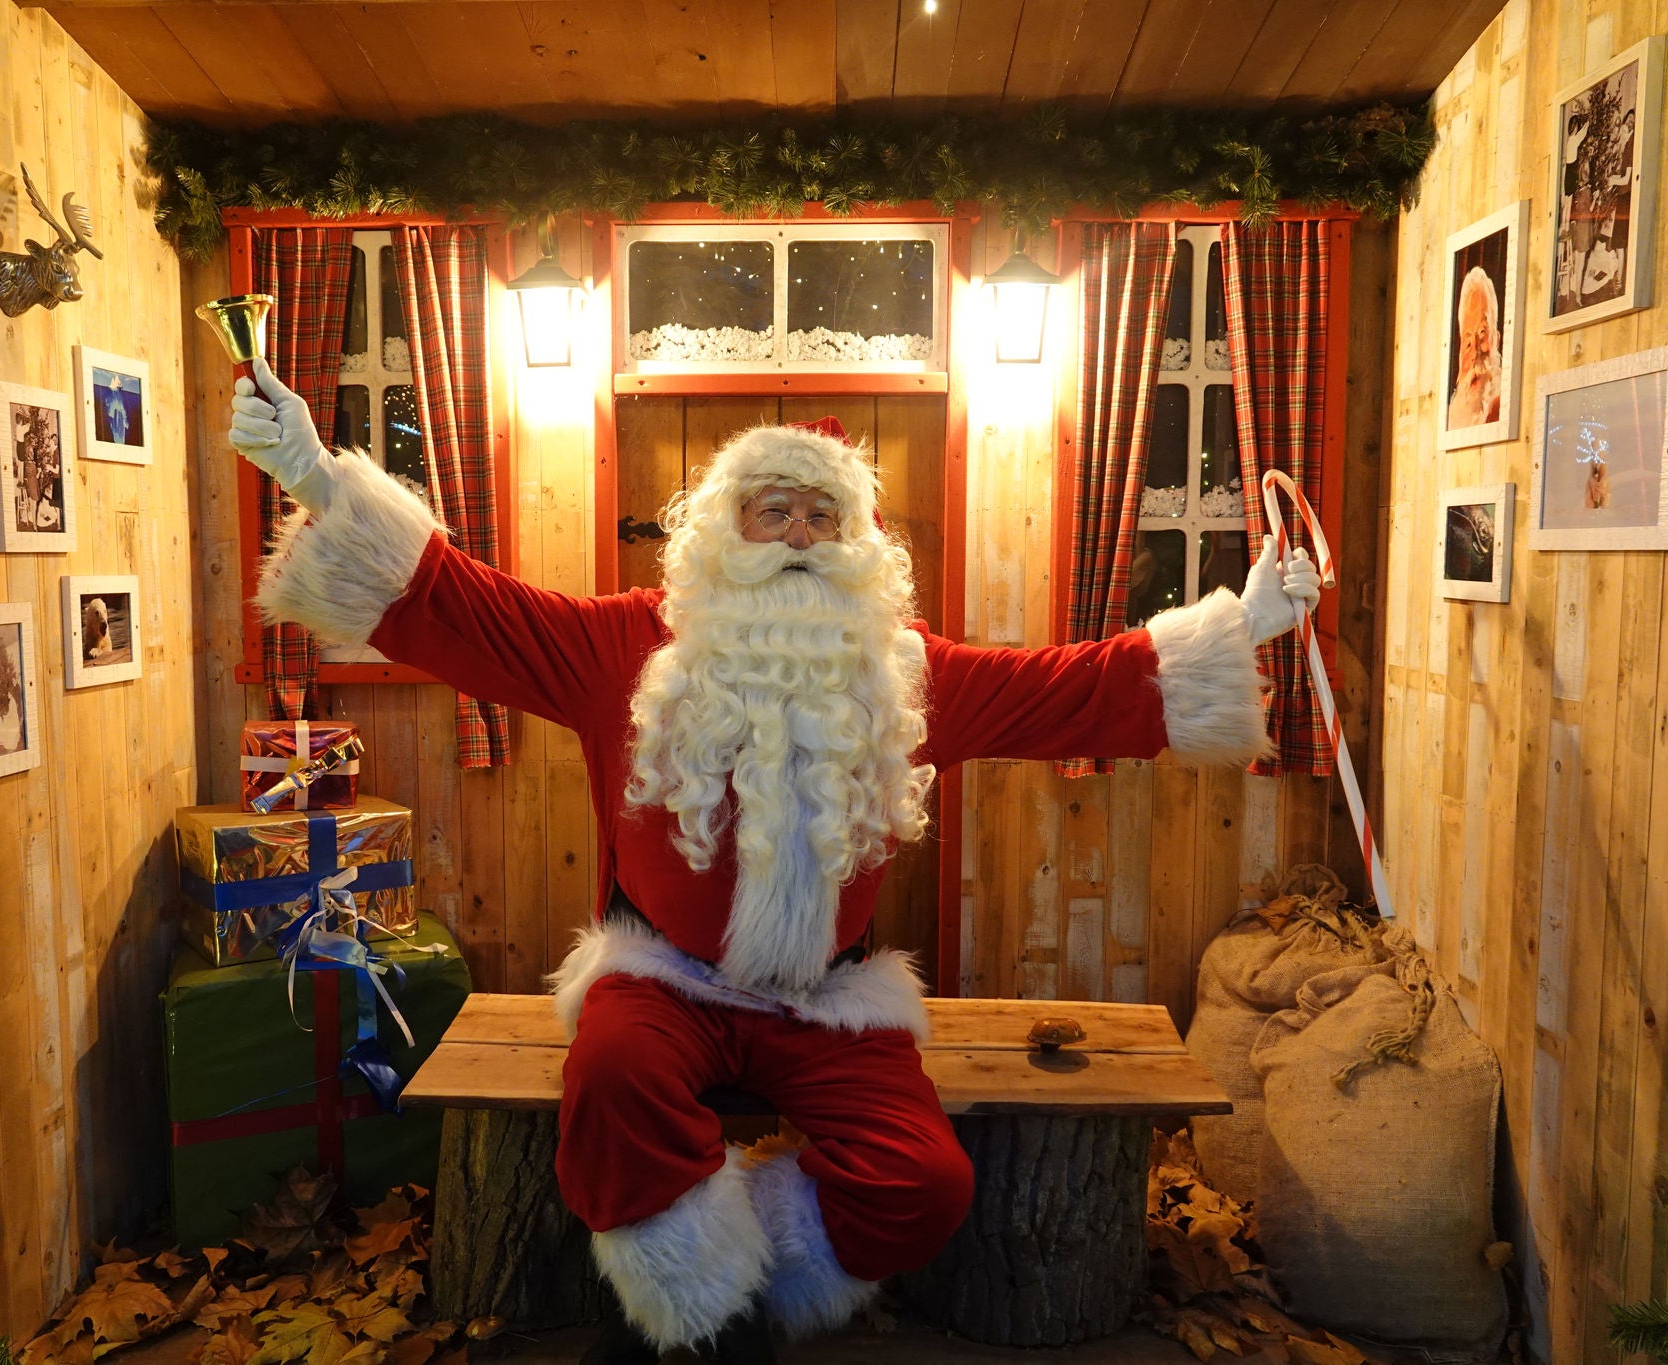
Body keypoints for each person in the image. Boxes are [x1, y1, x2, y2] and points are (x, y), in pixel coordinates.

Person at [229, 359, 1320, 1364]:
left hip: (826, 998)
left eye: (820, 513)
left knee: (922, 1181)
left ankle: (741, 1285)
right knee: (608, 1081)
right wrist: (318, 475)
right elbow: (465, 606)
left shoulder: (901, 669)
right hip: (660, 978)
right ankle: (703, 1318)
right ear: (725, 532)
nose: (798, 533)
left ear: (856, 541)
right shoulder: (620, 643)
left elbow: (1069, 684)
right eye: (773, 510)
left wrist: (1249, 620)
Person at [1447, 266, 1503, 429]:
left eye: (1482, 332)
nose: (1475, 353)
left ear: (1497, 339)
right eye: (1468, 342)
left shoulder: (1502, 405)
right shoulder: (1452, 416)